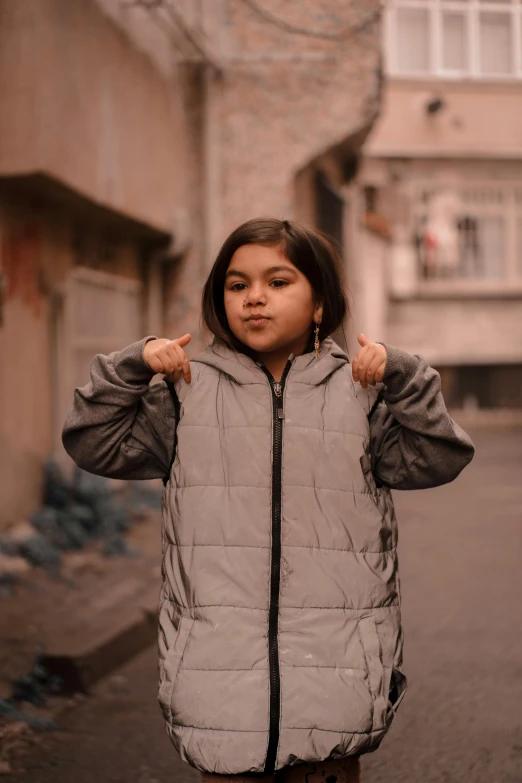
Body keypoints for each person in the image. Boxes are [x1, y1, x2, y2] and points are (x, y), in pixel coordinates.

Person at [62, 218, 475, 783]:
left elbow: (439, 457)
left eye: (278, 282)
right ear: (219, 300)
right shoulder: (186, 393)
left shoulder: (359, 393)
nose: (255, 297)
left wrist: (405, 377)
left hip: (336, 676)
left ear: (320, 306)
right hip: (218, 679)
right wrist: (131, 367)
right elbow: (94, 442)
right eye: (237, 285)